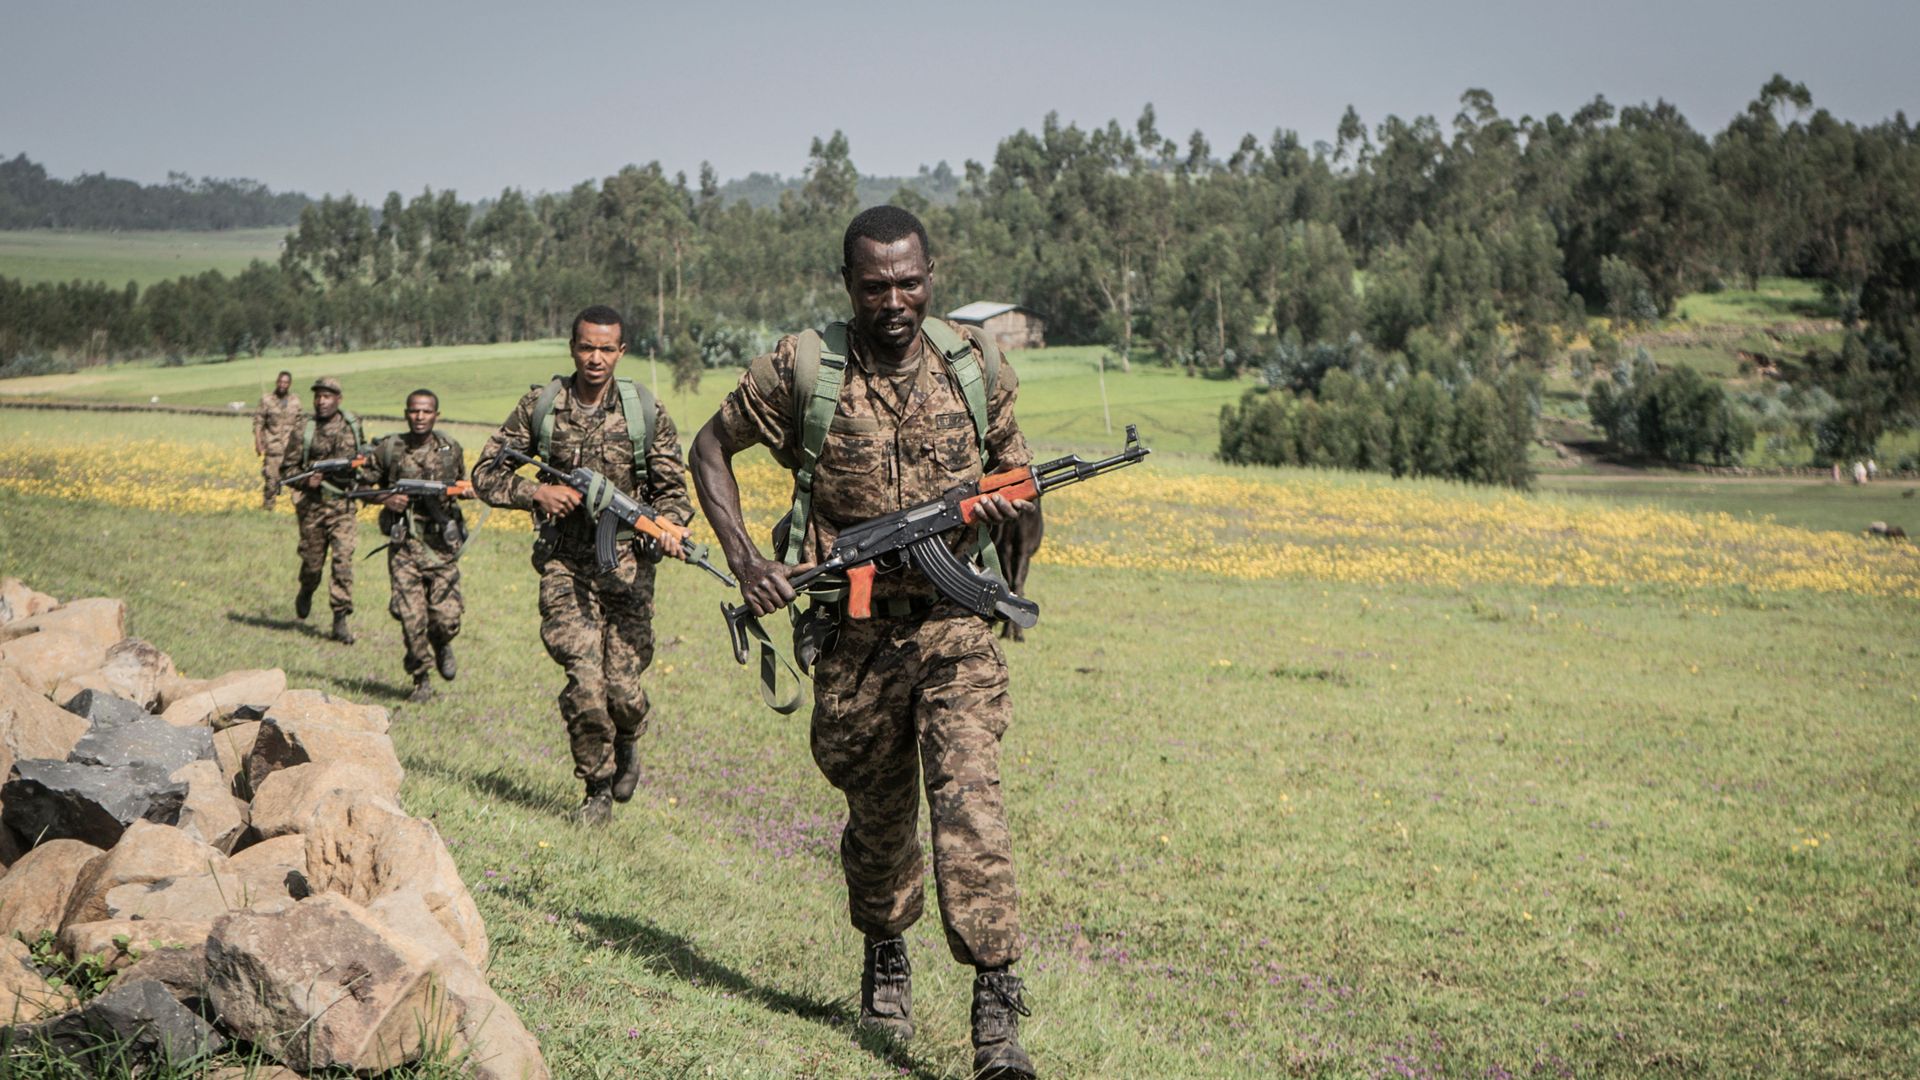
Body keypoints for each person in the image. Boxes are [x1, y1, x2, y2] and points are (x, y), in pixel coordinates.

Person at [688, 206, 1040, 1079]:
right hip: (852, 636)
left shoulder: (973, 364)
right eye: (876, 285)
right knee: (879, 824)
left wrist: (1013, 545)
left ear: (932, 275)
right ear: (847, 283)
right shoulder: (804, 369)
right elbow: (709, 447)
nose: (895, 301)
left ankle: (996, 1012)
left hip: (954, 626)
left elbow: (1020, 484)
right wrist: (747, 560)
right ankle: (885, 952)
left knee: (969, 802)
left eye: (910, 283)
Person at [470, 306, 693, 826]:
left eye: (606, 349)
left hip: (628, 568)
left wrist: (669, 528)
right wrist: (535, 492)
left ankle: (629, 736)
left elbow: (674, 492)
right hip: (566, 565)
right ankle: (596, 790)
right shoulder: (541, 406)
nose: (596, 358)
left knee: (623, 692)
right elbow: (484, 473)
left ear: (621, 351)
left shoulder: (644, 411)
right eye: (587, 347)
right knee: (586, 683)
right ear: (572, 347)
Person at [363, 390, 467, 703]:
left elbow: (461, 484)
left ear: (436, 414)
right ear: (406, 413)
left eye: (426, 411)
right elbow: (361, 486)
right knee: (411, 619)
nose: (420, 417)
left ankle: (441, 642)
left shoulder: (450, 449)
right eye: (414, 411)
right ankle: (421, 679)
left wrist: (464, 493)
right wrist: (386, 498)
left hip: (441, 547)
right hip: (405, 545)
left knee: (446, 619)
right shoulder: (390, 448)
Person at [279, 376, 364, 643]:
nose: (321, 401)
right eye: (318, 396)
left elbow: (364, 460)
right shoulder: (304, 429)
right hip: (312, 507)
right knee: (312, 565)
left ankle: (340, 619)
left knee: (343, 560)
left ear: (339, 399)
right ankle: (307, 589)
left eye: (327, 396)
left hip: (343, 506)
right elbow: (287, 471)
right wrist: (306, 480)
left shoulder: (352, 425)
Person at [252, 370, 304, 511]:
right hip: (273, 448)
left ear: (289, 384)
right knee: (271, 481)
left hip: (291, 450)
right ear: (276, 382)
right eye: (280, 382)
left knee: (296, 481)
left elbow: (300, 424)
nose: (282, 385)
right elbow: (258, 423)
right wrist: (258, 442)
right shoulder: (267, 400)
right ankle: (268, 509)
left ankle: (300, 510)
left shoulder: (295, 401)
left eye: (285, 382)